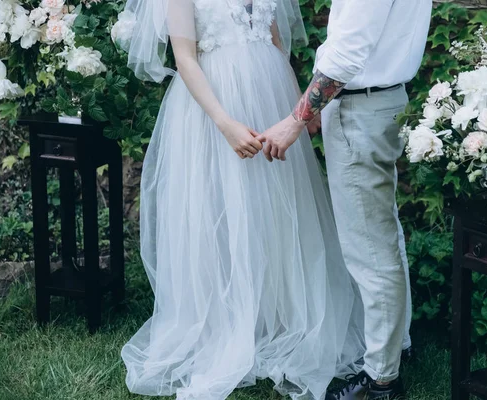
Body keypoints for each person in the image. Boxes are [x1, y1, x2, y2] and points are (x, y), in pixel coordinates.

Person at [119, 0, 367, 399]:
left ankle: (277, 318)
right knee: (223, 209)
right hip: (215, 105)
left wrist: (298, 112)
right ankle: (227, 322)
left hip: (269, 95)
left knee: (278, 214)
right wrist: (226, 123)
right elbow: (185, 58)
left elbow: (275, 42)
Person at [259, 0, 433, 399]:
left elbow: (348, 54)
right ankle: (395, 346)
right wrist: (323, 102)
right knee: (383, 236)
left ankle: (381, 380)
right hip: (373, 101)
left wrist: (295, 119)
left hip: (362, 108)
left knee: (370, 251)